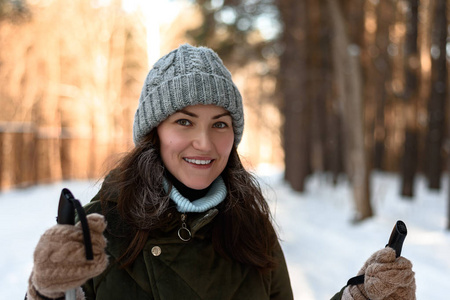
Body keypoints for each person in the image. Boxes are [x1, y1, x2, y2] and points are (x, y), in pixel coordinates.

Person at [26, 44, 416, 300]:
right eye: (184, 122)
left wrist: (361, 296)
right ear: (153, 132)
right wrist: (45, 293)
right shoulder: (102, 228)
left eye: (220, 124)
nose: (205, 143)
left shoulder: (251, 226)